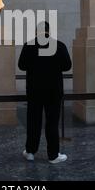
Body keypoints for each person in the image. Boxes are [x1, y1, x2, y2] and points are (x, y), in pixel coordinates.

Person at [18, 22, 72, 164]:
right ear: (49, 31)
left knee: (33, 121)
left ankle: (30, 152)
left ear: (37, 32)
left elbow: (21, 65)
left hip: (34, 91)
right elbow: (67, 66)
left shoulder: (28, 45)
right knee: (52, 123)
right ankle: (53, 155)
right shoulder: (59, 45)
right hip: (54, 91)